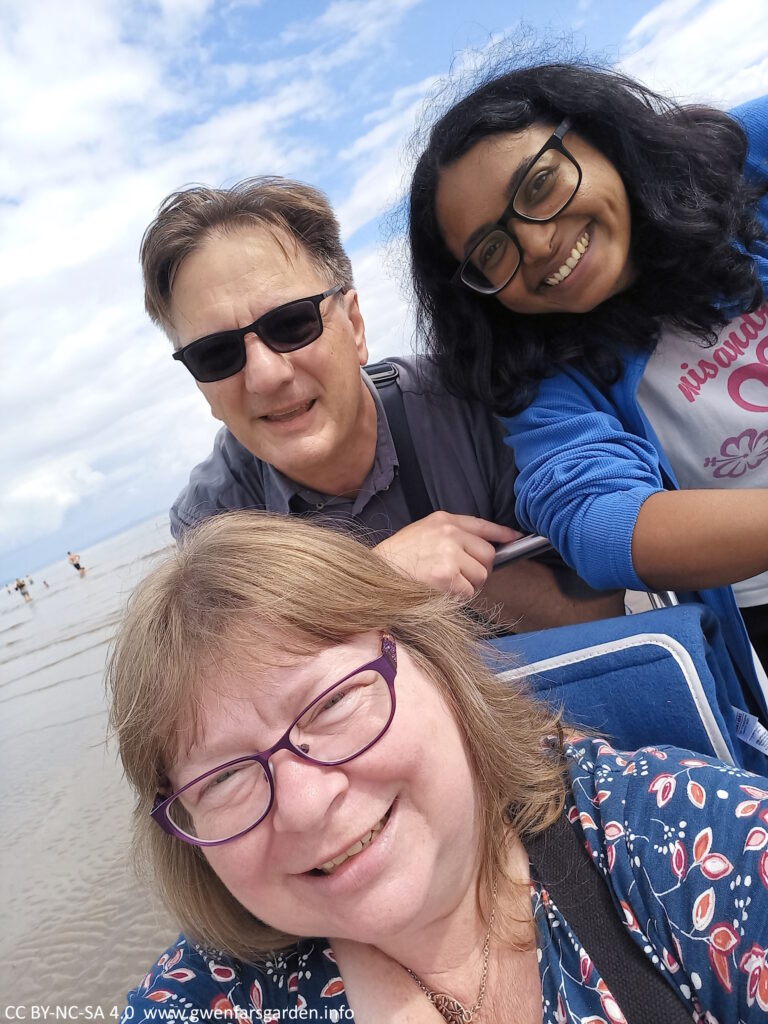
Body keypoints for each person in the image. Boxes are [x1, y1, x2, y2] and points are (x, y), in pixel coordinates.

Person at [110, 511, 768, 1022]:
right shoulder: (206, 998)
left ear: (437, 663)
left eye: (334, 703)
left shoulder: (683, 841)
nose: (306, 804)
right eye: (222, 777)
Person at [407, 60, 768, 711]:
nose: (538, 243)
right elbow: (601, 523)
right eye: (492, 249)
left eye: (540, 184)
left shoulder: (744, 158)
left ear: (599, 133)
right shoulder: (546, 376)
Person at [140, 175, 623, 632]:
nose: (266, 375)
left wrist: (466, 577)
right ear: (201, 386)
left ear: (354, 327)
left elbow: (603, 609)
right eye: (216, 354)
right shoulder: (217, 516)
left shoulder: (479, 407)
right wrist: (379, 578)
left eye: (291, 324)